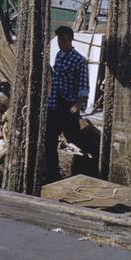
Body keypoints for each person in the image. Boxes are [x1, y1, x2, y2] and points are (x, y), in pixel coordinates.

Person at [45, 25, 90, 182]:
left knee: (73, 137)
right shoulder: (58, 55)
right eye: (58, 40)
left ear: (70, 40)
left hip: (68, 106)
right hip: (54, 104)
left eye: (63, 40)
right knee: (49, 140)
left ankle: (93, 156)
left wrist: (76, 106)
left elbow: (84, 85)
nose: (60, 43)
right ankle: (53, 174)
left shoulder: (79, 60)